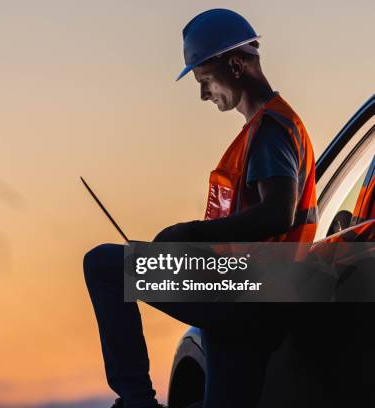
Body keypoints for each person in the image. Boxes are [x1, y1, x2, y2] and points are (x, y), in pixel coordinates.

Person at [83, 9, 318, 408]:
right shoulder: (267, 129)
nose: (203, 94)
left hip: (247, 292)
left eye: (205, 80)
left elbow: (277, 213)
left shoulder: (271, 130)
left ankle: (137, 400)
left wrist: (187, 234)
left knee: (104, 265)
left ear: (235, 65)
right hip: (253, 302)